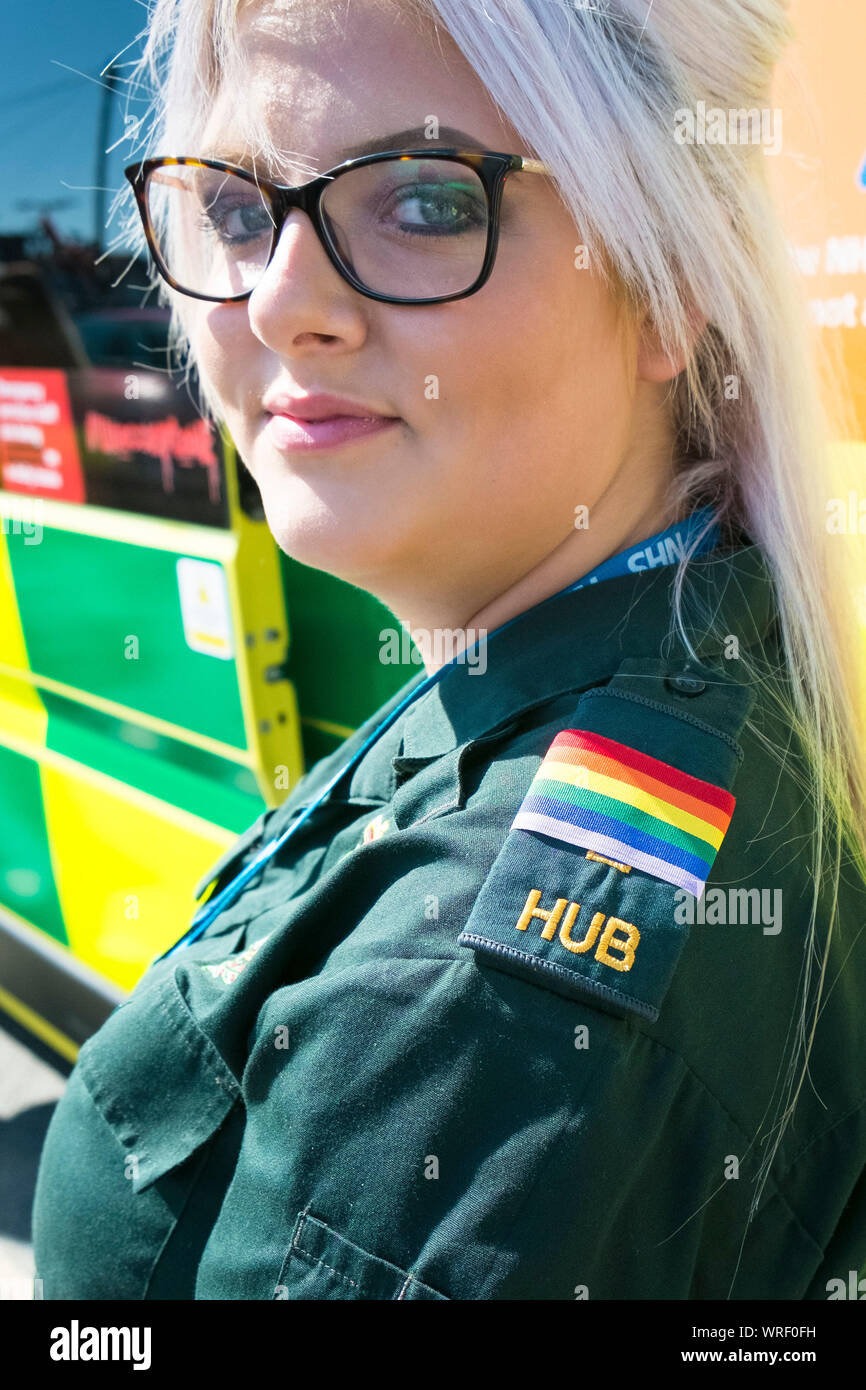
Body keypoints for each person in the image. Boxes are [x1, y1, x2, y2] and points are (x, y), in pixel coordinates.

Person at [32, 0, 866, 1300]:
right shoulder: (706, 641)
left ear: (673, 288)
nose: (280, 302)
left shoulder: (464, 1012)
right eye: (241, 213)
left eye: (424, 203)